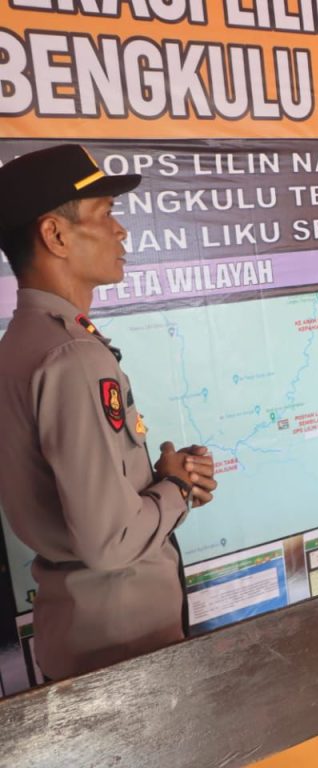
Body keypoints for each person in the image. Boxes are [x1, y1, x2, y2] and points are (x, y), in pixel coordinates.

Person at [0, 144, 218, 681]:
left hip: (82, 636)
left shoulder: (23, 345)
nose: (121, 232)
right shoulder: (71, 357)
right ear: (55, 235)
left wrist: (161, 481)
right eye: (105, 215)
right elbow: (111, 541)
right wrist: (178, 487)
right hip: (124, 649)